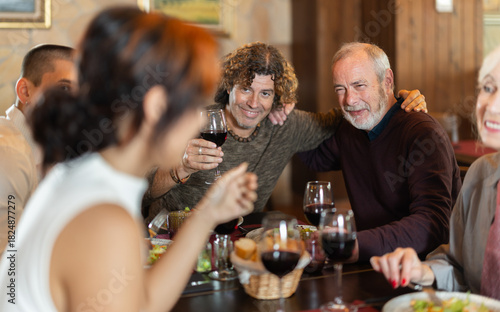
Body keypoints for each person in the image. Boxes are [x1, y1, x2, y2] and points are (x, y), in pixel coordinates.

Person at [0, 7, 257, 312]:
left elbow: (141, 301)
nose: (198, 121)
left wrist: (207, 214)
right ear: (157, 107)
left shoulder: (85, 174)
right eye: (193, 105)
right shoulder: (105, 221)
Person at [142, 41, 427, 224]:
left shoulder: (283, 125)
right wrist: (180, 167)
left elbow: (349, 113)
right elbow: (144, 195)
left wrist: (398, 99)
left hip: (236, 242)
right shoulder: (189, 121)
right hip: (168, 240)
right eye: (245, 89)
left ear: (276, 95)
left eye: (265, 93)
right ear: (229, 86)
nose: (254, 103)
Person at [299, 42, 461, 263]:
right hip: (371, 265)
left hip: (422, 271)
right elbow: (315, 156)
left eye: (359, 85)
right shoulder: (351, 130)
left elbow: (432, 224)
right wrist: (277, 113)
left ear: (387, 81)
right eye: (340, 89)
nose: (349, 100)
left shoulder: (423, 133)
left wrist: (354, 244)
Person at [370, 45, 500, 299]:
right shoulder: (480, 175)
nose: (493, 105)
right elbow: (458, 267)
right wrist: (422, 271)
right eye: (488, 88)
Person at [0, 44, 76, 254]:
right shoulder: (8, 151)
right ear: (25, 91)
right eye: (64, 88)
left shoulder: (52, 146)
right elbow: (9, 260)